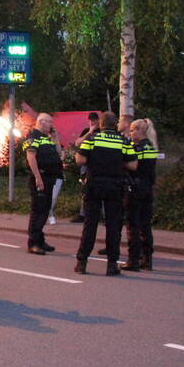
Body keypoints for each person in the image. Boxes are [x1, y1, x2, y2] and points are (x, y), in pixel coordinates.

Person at [74, 111, 137, 276]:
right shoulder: (123, 141)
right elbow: (133, 165)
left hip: (94, 184)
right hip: (115, 186)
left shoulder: (92, 139)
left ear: (100, 124)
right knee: (113, 226)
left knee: (90, 224)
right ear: (115, 124)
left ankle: (82, 262)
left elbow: (80, 160)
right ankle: (111, 265)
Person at [24, 113, 63, 255]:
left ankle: (40, 239)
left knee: (45, 210)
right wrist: (38, 178)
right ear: (41, 122)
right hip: (40, 178)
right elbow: (31, 157)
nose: (51, 125)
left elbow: (59, 154)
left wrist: (56, 138)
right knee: (38, 211)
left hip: (50, 179)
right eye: (49, 122)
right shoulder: (33, 136)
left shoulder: (46, 138)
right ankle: (33, 242)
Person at [122, 119, 159, 271]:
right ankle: (147, 259)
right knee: (146, 225)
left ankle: (133, 260)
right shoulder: (151, 146)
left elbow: (131, 165)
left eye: (132, 130)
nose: (130, 133)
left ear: (139, 131)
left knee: (133, 225)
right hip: (148, 189)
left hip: (135, 189)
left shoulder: (136, 148)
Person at [70, 111, 101, 223]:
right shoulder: (86, 131)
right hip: (86, 164)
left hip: (99, 164)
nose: (92, 122)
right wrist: (89, 132)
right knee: (85, 188)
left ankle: (100, 214)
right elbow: (78, 143)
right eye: (90, 120)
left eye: (94, 119)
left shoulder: (102, 131)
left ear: (99, 120)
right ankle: (83, 214)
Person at [47, 124, 65, 225]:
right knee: (46, 196)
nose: (52, 135)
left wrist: (56, 138)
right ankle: (49, 215)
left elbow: (61, 156)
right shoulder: (45, 145)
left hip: (57, 175)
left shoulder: (59, 146)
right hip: (47, 174)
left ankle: (50, 213)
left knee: (53, 197)